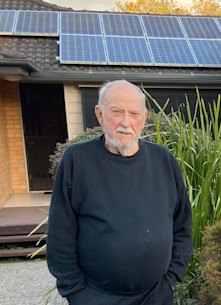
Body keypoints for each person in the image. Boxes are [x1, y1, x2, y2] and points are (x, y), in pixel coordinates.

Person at [47, 80, 193, 305]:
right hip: (95, 297)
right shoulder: (77, 161)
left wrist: (171, 279)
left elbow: (182, 224)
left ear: (144, 118)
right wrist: (77, 293)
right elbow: (60, 234)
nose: (126, 122)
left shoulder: (164, 160)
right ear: (100, 114)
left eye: (134, 113)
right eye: (117, 112)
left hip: (156, 296)